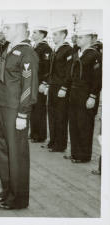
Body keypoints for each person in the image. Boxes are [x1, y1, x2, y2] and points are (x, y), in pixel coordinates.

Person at [0, 18, 39, 210]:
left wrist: (23, 113)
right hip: (2, 106)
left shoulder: (27, 53)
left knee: (16, 154)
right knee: (3, 152)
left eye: (7, 27)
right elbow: (0, 83)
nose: (3, 31)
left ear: (20, 28)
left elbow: (29, 85)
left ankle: (18, 198)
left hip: (14, 110)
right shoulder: (8, 49)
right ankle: (7, 190)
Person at [64, 29, 102, 163]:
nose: (77, 40)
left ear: (88, 38)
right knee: (74, 124)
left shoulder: (94, 55)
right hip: (74, 93)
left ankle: (84, 155)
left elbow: (98, 78)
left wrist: (92, 96)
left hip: (86, 94)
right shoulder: (78, 53)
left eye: (80, 37)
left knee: (84, 125)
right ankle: (75, 153)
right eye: (77, 37)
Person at [44, 26, 73, 152]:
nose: (53, 37)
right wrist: (47, 84)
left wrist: (65, 87)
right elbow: (51, 70)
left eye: (55, 34)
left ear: (62, 35)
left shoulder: (68, 50)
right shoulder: (55, 50)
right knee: (52, 114)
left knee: (61, 116)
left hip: (61, 87)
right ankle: (53, 141)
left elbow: (69, 72)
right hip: (53, 86)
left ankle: (60, 144)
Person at [29, 26, 52, 143]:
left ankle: (40, 135)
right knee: (33, 108)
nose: (32, 34)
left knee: (39, 109)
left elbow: (47, 67)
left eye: (35, 32)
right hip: (32, 82)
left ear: (42, 35)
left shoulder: (45, 48)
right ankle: (33, 132)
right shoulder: (34, 47)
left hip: (39, 83)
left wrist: (44, 82)